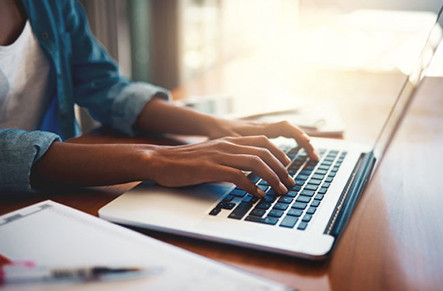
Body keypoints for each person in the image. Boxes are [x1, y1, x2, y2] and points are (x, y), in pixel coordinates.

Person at [0, 0, 318, 198]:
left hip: (57, 195)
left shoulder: (53, 4)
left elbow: (106, 86)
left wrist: (217, 126)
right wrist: (155, 160)